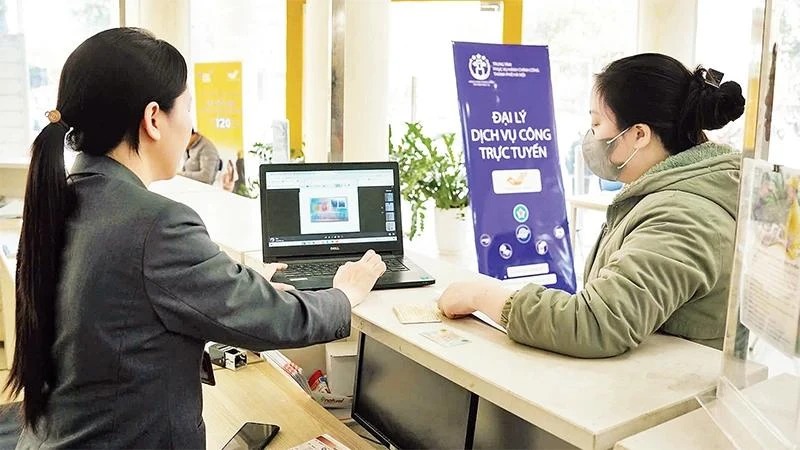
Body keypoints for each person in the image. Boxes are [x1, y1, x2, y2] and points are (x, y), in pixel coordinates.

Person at [8, 27, 385, 449]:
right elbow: (278, 320)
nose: (191, 123)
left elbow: (124, 318)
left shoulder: (63, 201)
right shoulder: (156, 223)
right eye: (188, 106)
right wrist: (344, 295)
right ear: (153, 118)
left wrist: (228, 285)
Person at [438, 53, 746, 358]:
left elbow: (596, 323)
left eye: (596, 123)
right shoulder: (663, 198)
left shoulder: (683, 217)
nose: (591, 136)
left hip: (678, 388)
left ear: (639, 134)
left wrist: (481, 295)